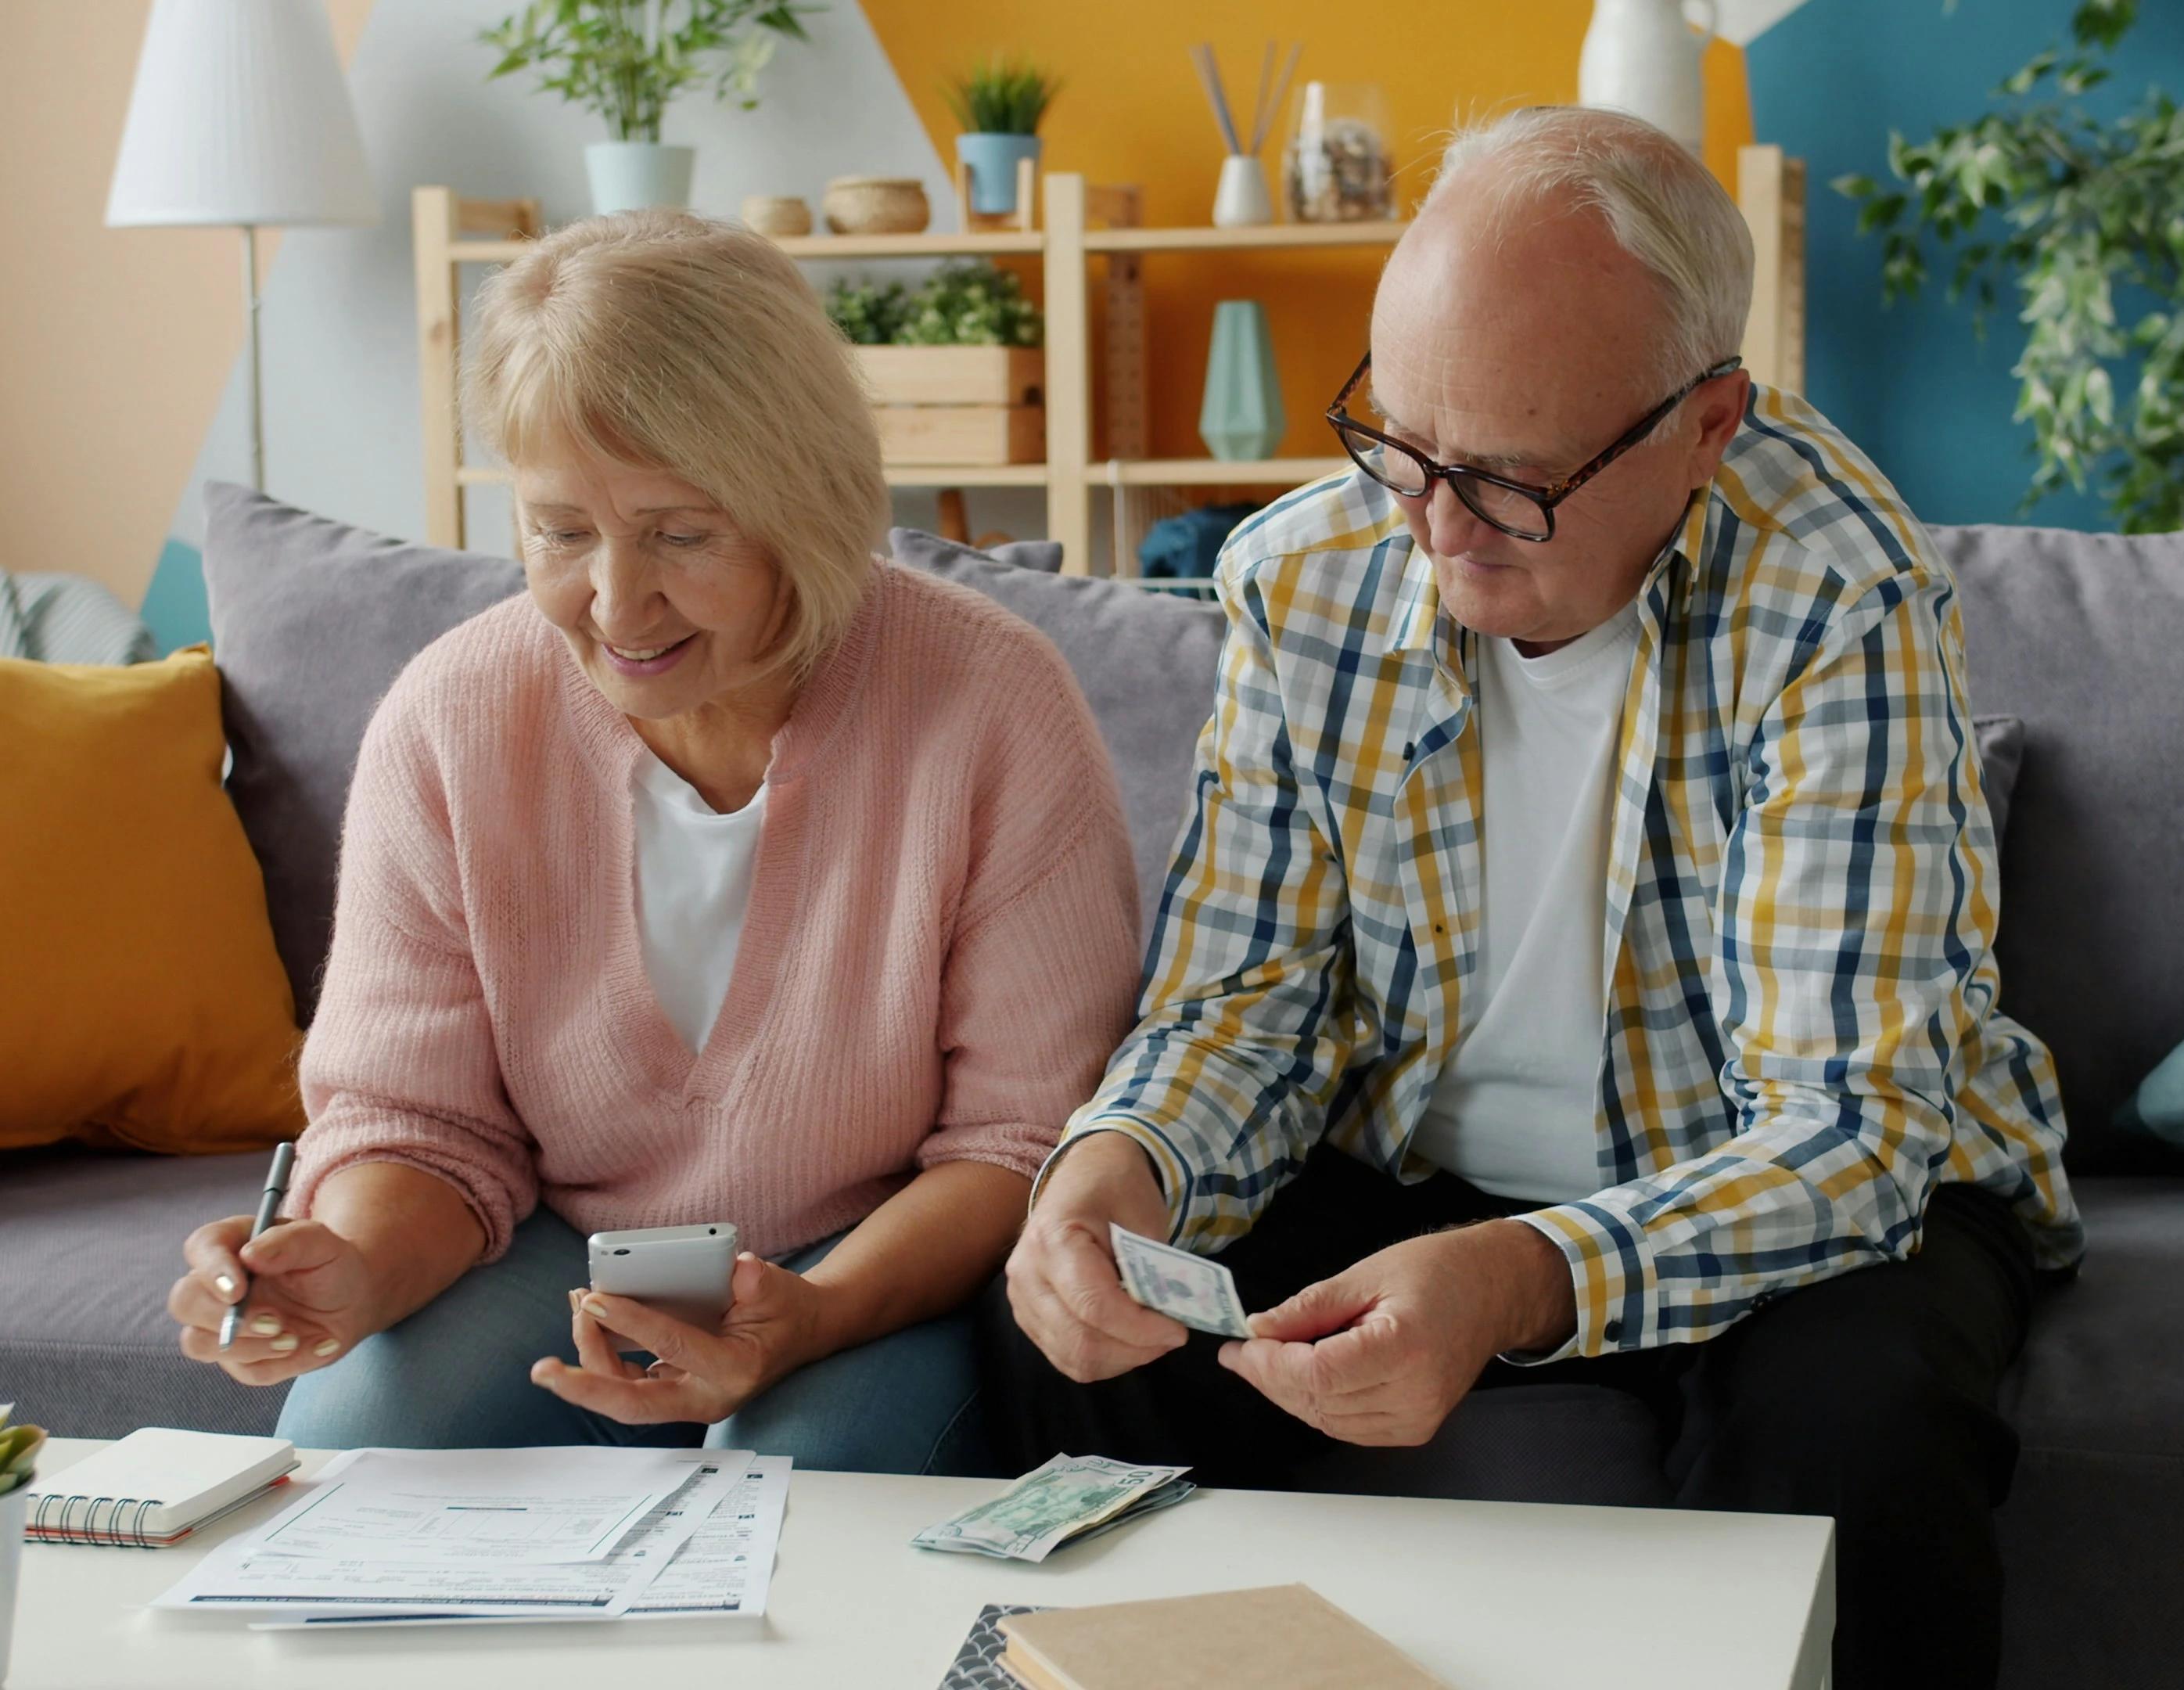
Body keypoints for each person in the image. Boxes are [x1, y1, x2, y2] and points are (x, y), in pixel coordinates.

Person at [983, 107, 2082, 1688]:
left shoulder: (1837, 588)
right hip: (1420, 1152)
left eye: (1506, 484)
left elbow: (1848, 1125)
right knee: (1067, 1325)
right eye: (1405, 447)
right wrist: (1117, 1170)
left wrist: (1516, 1281)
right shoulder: (1306, 575)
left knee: (1859, 1426)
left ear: (1706, 426)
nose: (1431, 530)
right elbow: (1250, 1001)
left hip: (1815, 1182)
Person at [166, 209, 1142, 1473]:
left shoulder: (993, 701)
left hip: (871, 1273)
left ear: (806, 499)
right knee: (351, 1466)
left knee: (795, 1502)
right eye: (561, 531)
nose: (617, 604)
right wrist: (339, 1268)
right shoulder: (453, 714)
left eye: (682, 534)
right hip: (555, 1265)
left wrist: (814, 1316)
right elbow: (418, 1127)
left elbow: (1022, 1143)